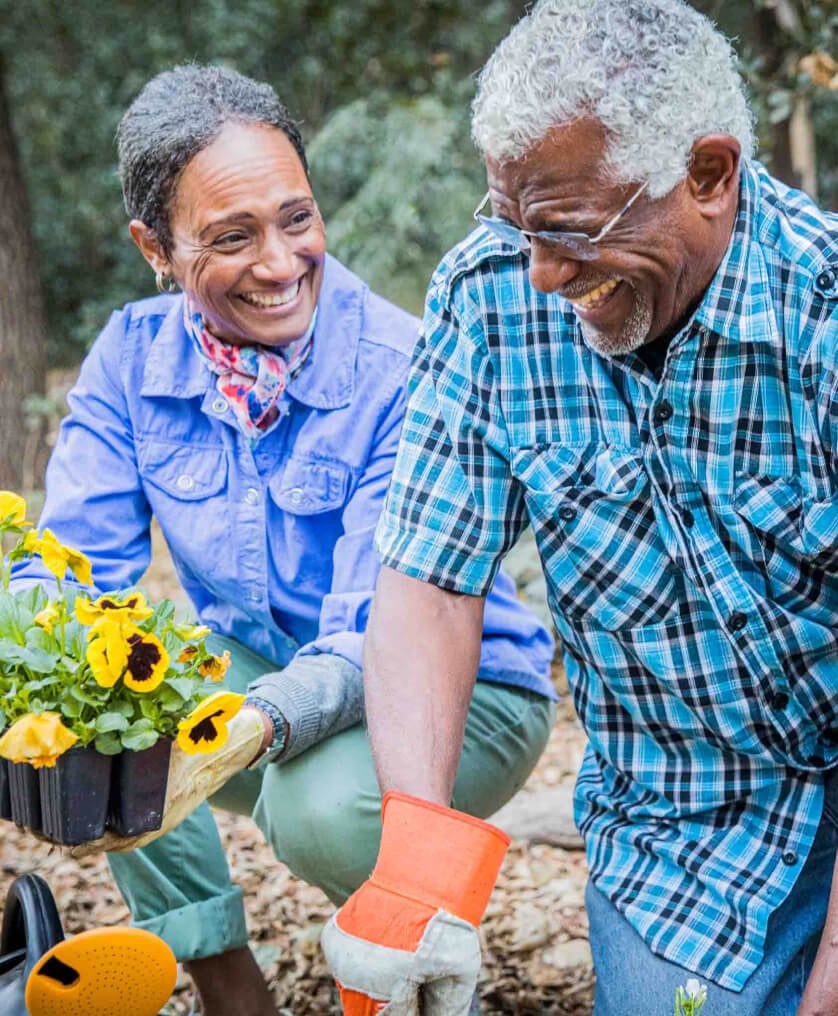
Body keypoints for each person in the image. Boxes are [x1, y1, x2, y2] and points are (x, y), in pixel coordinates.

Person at [320, 1, 838, 1014]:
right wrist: (415, 873)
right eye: (516, 225)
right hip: (679, 819)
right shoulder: (489, 296)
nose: (543, 276)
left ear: (709, 175)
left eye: (568, 232)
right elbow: (427, 576)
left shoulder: (823, 307)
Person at [10, 65, 558, 1016]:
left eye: (296, 219)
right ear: (154, 245)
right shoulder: (131, 361)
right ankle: (229, 984)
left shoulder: (400, 366)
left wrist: (256, 724)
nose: (279, 262)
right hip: (268, 668)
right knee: (102, 710)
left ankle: (413, 966)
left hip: (461, 692)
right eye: (231, 237)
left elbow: (373, 629)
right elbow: (68, 582)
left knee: (312, 806)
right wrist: (33, 690)